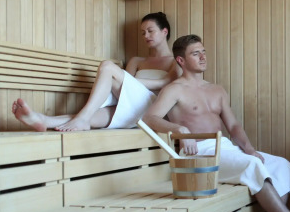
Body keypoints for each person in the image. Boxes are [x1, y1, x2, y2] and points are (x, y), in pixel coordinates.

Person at [142, 34, 290, 212]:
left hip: (225, 148)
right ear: (181, 60)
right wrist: (180, 130)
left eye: (203, 52)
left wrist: (249, 149)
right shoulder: (174, 89)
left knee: (281, 165)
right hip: (198, 153)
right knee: (252, 165)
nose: (203, 57)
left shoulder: (217, 90)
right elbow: (150, 118)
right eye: (196, 54)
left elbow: (233, 126)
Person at [12, 12, 180, 132]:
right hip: (131, 110)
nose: (146, 35)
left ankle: (82, 118)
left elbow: (166, 84)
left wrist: (133, 82)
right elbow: (124, 88)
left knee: (107, 67)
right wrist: (127, 84)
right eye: (143, 32)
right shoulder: (137, 61)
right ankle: (42, 120)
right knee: (91, 116)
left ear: (164, 31)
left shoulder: (175, 61)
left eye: (150, 30)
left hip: (152, 110)